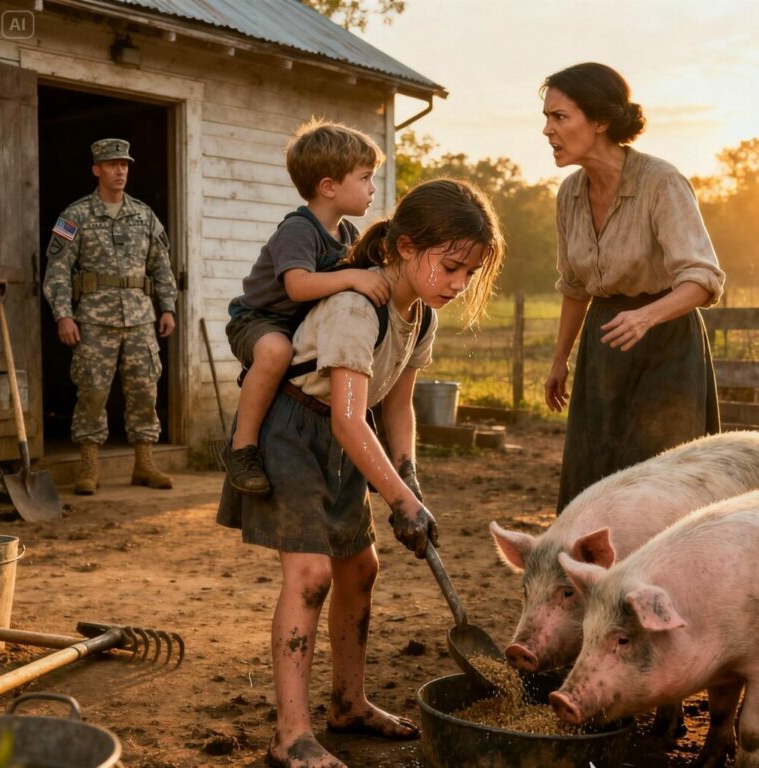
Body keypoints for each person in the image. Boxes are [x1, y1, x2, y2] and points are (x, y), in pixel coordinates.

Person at [217, 178, 504, 768]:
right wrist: (398, 501)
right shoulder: (355, 307)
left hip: (349, 440)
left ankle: (349, 704)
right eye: (450, 266)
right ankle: (289, 736)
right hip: (295, 431)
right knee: (312, 574)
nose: (458, 284)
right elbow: (349, 417)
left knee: (361, 567)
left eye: (469, 274)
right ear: (404, 247)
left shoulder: (420, 315)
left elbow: (396, 403)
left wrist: (408, 475)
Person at [540, 63, 725, 513]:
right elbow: (575, 286)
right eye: (546, 118)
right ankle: (592, 582)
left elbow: (703, 279)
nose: (547, 130)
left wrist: (646, 316)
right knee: (594, 472)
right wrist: (560, 359)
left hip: (667, 343)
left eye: (560, 117)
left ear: (600, 121)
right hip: (605, 344)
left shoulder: (661, 182)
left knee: (660, 481)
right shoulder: (569, 194)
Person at [224, 119, 390, 496]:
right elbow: (298, 286)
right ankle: (242, 447)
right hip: (260, 319)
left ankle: (366, 452)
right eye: (365, 178)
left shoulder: (348, 234)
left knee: (348, 361)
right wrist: (353, 278)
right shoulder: (299, 230)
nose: (372, 188)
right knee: (275, 351)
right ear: (328, 187)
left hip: (302, 323)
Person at [43, 138, 178, 495]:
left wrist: (168, 307)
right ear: (96, 170)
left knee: (145, 392)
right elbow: (57, 269)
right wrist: (63, 316)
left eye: (125, 165)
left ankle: (145, 464)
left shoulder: (145, 216)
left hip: (139, 319)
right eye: (113, 164)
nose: (120, 171)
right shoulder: (74, 216)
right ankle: (89, 467)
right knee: (92, 392)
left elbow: (161, 266)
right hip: (93, 321)